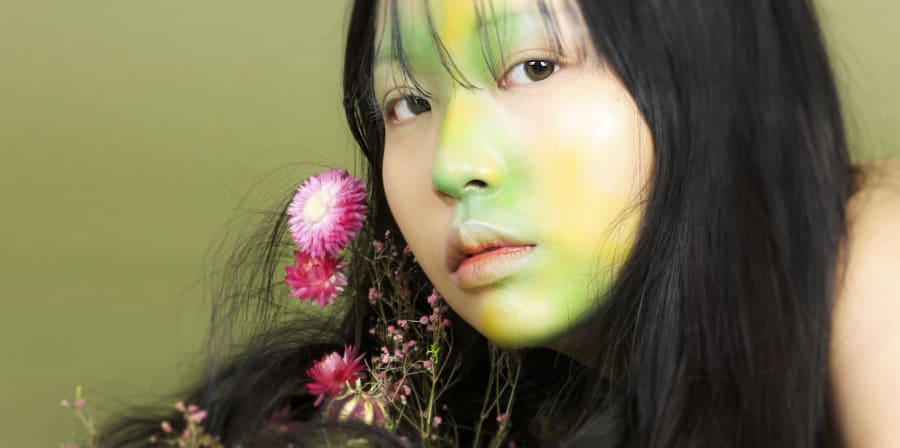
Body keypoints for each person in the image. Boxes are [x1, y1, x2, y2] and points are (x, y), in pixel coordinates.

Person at [101, 0, 900, 446]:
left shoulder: (876, 255)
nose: (452, 166)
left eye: (535, 66)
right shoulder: (504, 408)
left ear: (713, 68)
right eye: (407, 104)